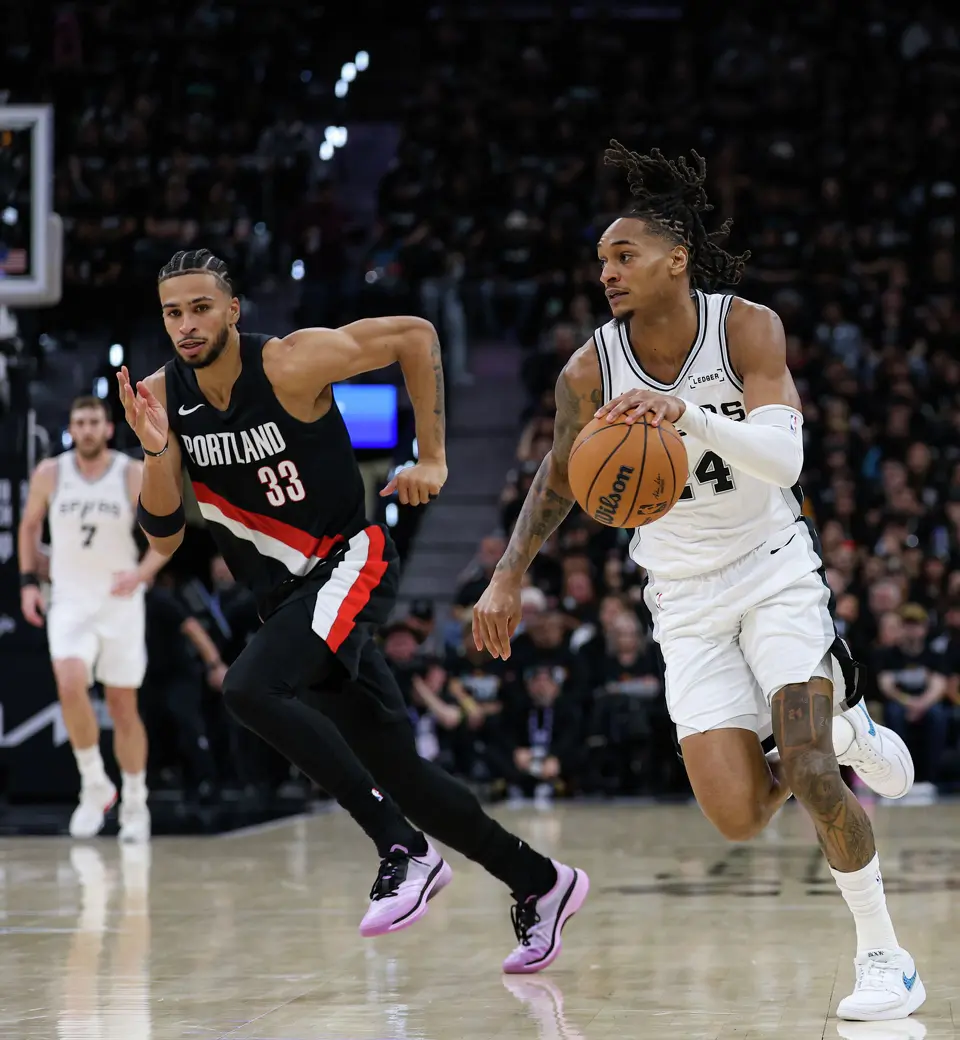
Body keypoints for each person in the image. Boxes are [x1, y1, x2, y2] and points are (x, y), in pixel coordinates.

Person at [473, 144, 924, 1019]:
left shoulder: (745, 327)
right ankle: (848, 722)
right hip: (681, 600)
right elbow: (561, 475)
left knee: (802, 759)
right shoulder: (589, 368)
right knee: (737, 815)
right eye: (601, 260)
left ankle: (885, 957)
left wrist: (688, 417)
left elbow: (785, 456)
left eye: (624, 255)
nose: (606, 271)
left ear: (676, 258)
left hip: (772, 573)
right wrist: (505, 573)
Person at [116, 248, 587, 973]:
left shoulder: (289, 363)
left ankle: (401, 849)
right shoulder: (159, 396)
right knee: (405, 775)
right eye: (173, 312)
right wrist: (154, 452)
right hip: (284, 599)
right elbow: (163, 532)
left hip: (348, 562)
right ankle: (542, 883)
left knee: (247, 687)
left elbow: (415, 336)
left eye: (201, 306)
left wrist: (433, 457)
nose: (186, 324)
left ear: (233, 309)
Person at [17, 395, 166, 842]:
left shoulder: (130, 472)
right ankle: (94, 783)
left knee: (123, 706)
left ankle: (136, 800)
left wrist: (141, 574)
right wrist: (27, 581)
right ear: (70, 428)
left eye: (93, 422)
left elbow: (164, 532)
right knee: (68, 681)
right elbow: (28, 527)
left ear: (106, 428)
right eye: (78, 421)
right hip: (69, 599)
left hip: (117, 602)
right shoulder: (50, 473)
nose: (85, 429)